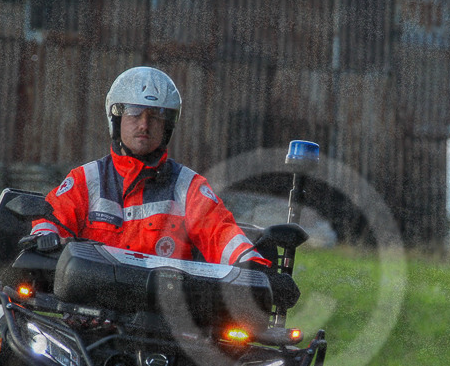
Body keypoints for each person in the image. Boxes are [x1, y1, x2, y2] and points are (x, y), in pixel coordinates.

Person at [29, 66, 298, 306]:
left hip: (164, 319)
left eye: (156, 116)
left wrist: (258, 270)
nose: (144, 125)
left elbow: (222, 233)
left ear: (167, 127)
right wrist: (44, 239)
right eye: (135, 113)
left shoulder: (189, 187)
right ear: (116, 119)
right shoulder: (85, 179)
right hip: (90, 316)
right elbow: (49, 220)